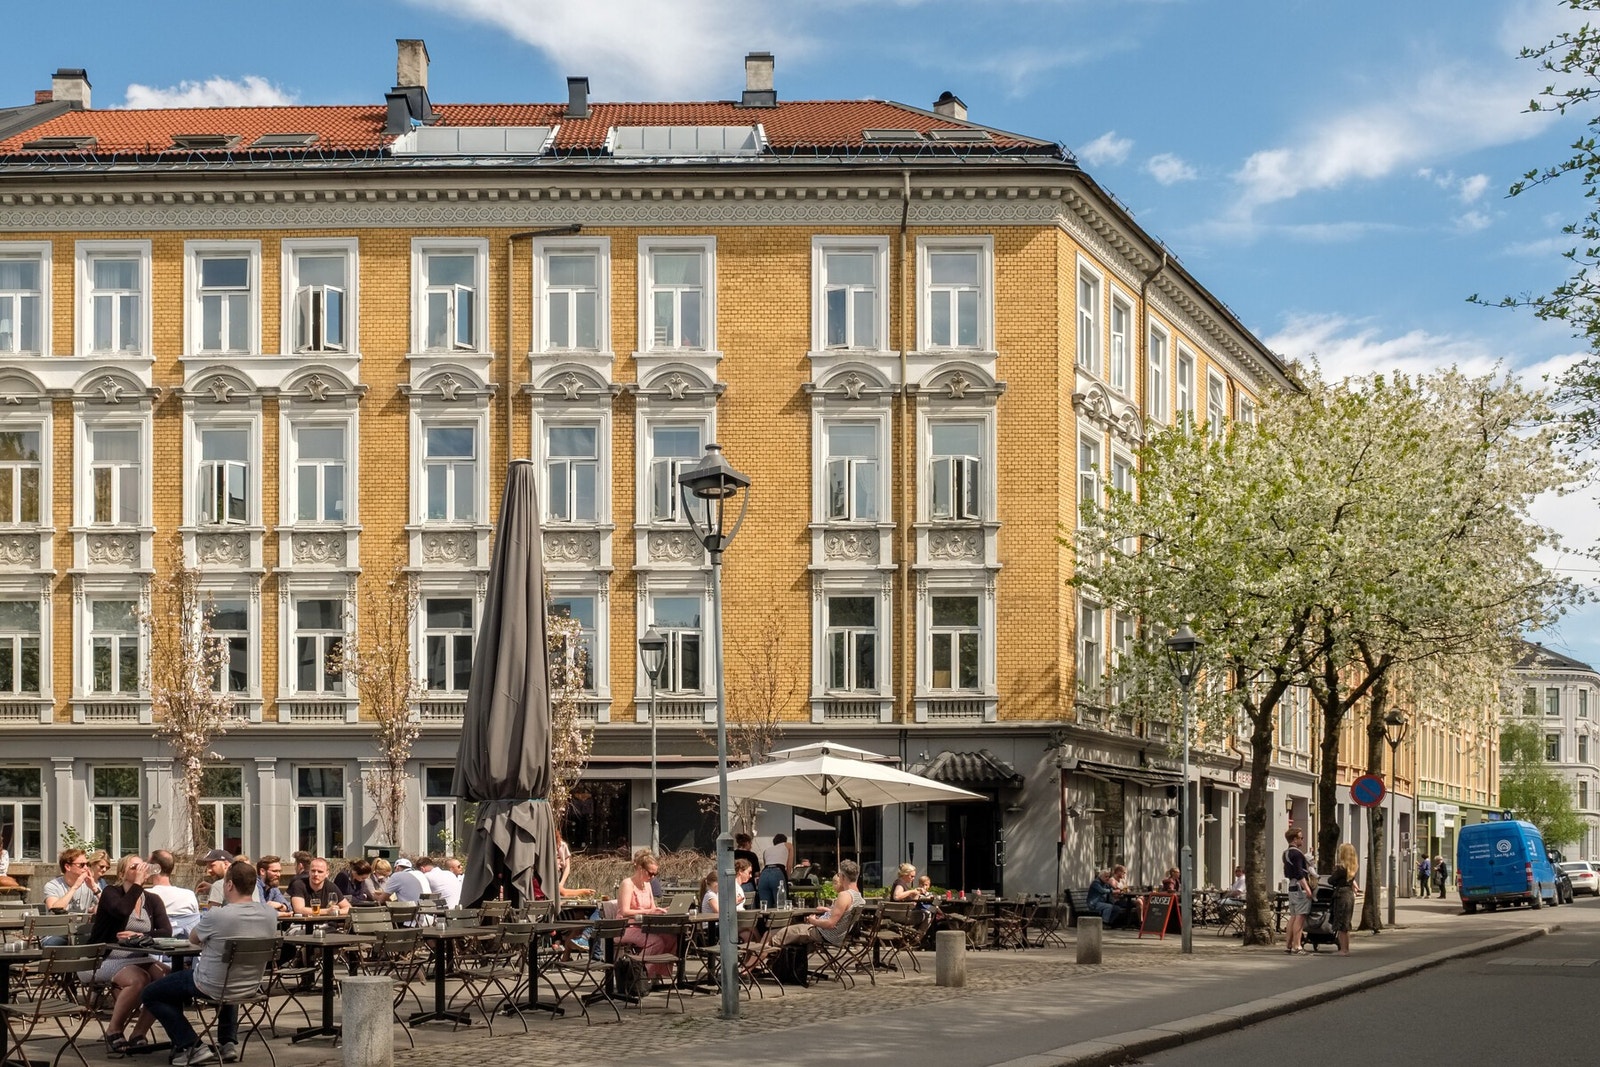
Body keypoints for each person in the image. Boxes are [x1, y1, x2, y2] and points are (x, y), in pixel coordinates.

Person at [141, 859, 278, 1066]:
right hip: (250, 985)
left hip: (210, 984)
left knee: (151, 994)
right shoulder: (270, 914)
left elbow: (193, 939)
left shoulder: (218, 915)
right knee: (229, 976)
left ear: (229, 885)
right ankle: (227, 1043)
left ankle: (191, 1045)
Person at [83, 854, 172, 1054]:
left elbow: (166, 932)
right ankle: (114, 1029)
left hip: (138, 956)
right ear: (122, 873)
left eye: (142, 867)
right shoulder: (110, 893)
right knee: (139, 978)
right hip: (102, 958)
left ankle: (139, 1032)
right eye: (134, 867)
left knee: (166, 978)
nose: (140, 870)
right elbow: (122, 911)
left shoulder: (152, 899)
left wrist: (140, 934)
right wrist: (138, 884)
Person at [773, 859, 864, 948]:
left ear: (843, 877)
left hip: (824, 934)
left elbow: (830, 924)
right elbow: (843, 915)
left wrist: (813, 921)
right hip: (835, 936)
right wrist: (828, 911)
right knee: (791, 937)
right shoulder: (858, 897)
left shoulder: (844, 895)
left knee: (779, 934)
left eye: (839, 875)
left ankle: (763, 958)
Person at [617, 848, 677, 979]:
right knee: (656, 942)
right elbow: (625, 911)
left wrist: (662, 911)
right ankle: (638, 974)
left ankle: (655, 974)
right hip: (626, 927)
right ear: (640, 868)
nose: (653, 877)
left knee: (671, 939)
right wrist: (649, 911)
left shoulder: (647, 885)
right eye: (650, 873)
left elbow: (652, 908)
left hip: (644, 926)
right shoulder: (627, 884)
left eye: (655, 874)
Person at [42, 848, 99, 938]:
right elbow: (55, 909)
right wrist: (74, 887)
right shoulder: (52, 885)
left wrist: (95, 889)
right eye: (81, 865)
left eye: (87, 864)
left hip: (81, 933)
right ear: (68, 867)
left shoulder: (90, 884)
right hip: (57, 934)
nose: (86, 868)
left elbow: (110, 905)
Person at [145, 850, 202, 934]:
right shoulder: (189, 895)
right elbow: (196, 925)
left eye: (147, 864)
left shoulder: (145, 895)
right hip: (186, 943)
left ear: (155, 868)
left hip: (155, 943)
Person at [1283, 827, 1313, 955]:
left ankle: (1288, 945)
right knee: (1300, 917)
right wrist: (1307, 889)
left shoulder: (1286, 853)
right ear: (1294, 839)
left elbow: (1287, 871)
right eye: (1301, 837)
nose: (1302, 840)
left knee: (1293, 916)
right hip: (1300, 888)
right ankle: (1297, 946)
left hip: (1291, 887)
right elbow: (1300, 873)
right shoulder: (1297, 854)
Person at [1327, 842, 1359, 956]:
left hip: (1341, 895)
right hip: (1349, 894)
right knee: (1346, 923)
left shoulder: (1341, 868)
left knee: (1340, 923)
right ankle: (1346, 949)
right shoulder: (1352, 867)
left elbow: (1330, 880)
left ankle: (1343, 950)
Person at [757, 832, 793, 908]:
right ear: (785, 841)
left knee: (765, 906)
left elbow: (765, 864)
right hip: (778, 872)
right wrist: (788, 878)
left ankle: (765, 919)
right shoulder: (788, 845)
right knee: (781, 904)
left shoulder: (766, 850)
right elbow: (789, 865)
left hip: (764, 874)